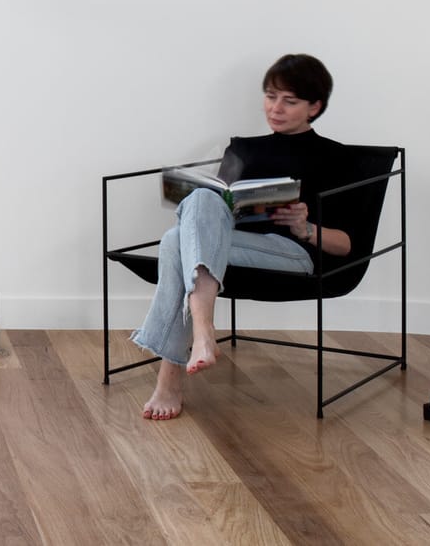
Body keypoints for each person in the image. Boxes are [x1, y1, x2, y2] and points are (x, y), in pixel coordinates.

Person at [132, 53, 355, 420]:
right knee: (199, 204)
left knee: (175, 243)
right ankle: (203, 332)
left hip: (292, 253)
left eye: (290, 100)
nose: (276, 108)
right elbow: (216, 208)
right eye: (270, 96)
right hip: (228, 249)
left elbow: (348, 244)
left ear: (315, 107)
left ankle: (173, 374)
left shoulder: (337, 158)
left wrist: (307, 228)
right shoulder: (243, 148)